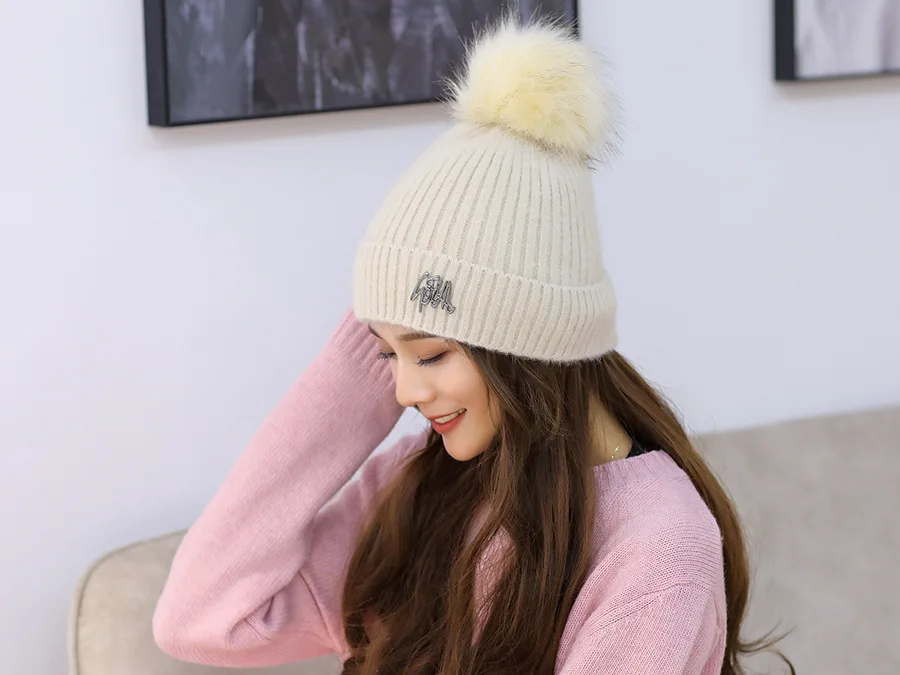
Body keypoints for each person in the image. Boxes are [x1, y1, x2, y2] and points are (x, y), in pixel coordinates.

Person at [152, 16, 791, 675]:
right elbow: (200, 617)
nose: (404, 391)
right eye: (386, 355)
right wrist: (368, 365)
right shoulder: (419, 483)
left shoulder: (659, 548)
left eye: (430, 354)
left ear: (529, 343)